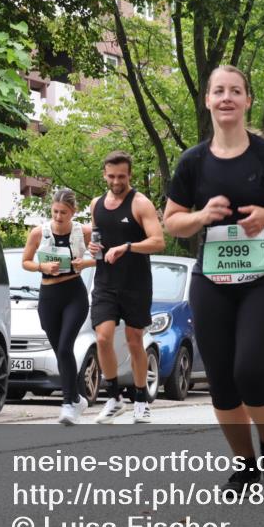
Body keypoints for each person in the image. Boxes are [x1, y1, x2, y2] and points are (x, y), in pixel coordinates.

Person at [164, 65, 264, 492]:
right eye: (218, 91)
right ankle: (246, 465)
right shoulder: (193, 161)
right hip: (212, 277)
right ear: (208, 101)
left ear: (247, 100)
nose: (226, 98)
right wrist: (201, 216)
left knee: (250, 370)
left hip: (263, 276)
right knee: (223, 379)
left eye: (235, 91)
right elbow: (171, 222)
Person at [88, 151, 166, 424]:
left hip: (135, 284)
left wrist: (128, 247)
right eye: (111, 176)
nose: (116, 181)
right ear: (104, 175)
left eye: (121, 176)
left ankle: (142, 400)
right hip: (105, 283)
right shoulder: (96, 204)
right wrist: (93, 249)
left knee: (135, 342)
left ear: (130, 174)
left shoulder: (141, 203)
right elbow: (97, 239)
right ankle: (113, 397)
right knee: (103, 338)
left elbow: (158, 241)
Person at [21, 189, 95, 425]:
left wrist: (85, 261)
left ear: (73, 212)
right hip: (49, 295)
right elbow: (26, 262)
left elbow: (102, 257)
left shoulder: (84, 232)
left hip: (74, 293)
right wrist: (42, 268)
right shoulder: (38, 233)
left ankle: (67, 403)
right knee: (59, 350)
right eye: (55, 211)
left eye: (64, 212)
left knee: (65, 347)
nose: (59, 216)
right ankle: (77, 398)